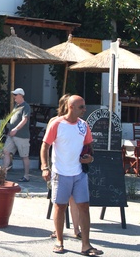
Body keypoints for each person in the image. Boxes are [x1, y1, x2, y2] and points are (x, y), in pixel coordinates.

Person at [40, 95, 102, 256]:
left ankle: (86, 245)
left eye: (84, 106)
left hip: (79, 173)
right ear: (71, 107)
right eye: (81, 107)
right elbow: (45, 146)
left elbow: (89, 147)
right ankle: (59, 241)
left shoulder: (84, 125)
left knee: (84, 207)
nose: (84, 109)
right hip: (61, 173)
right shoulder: (57, 124)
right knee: (60, 207)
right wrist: (45, 167)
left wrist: (90, 158)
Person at [48, 94, 81, 241]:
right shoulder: (56, 122)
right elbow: (47, 143)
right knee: (61, 201)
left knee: (61, 201)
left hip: (69, 166)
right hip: (59, 165)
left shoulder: (78, 123)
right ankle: (71, 229)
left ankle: (71, 229)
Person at [2, 88, 31, 182]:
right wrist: (10, 131)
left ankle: (26, 176)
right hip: (11, 135)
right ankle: (4, 174)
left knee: (24, 156)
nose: (13, 96)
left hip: (22, 136)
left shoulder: (26, 106)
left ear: (20, 95)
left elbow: (24, 120)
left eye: (15, 94)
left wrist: (16, 129)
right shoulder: (16, 106)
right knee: (6, 151)